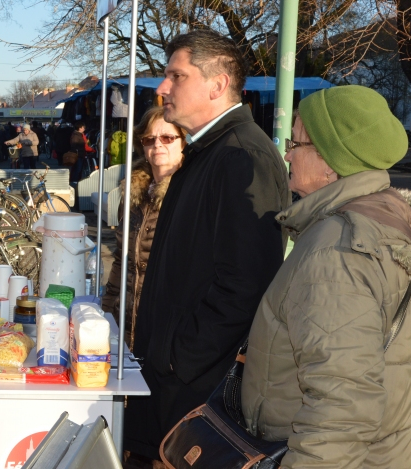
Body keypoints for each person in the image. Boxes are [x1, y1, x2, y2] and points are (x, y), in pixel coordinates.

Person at [241, 85, 411, 468]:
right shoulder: (387, 218)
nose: (286, 153)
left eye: (294, 143)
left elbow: (341, 406)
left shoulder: (338, 250)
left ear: (330, 162)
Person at [123, 30, 290, 467]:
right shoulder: (209, 151)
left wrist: (176, 356)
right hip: (173, 385)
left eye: (177, 76)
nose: (162, 88)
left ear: (217, 84)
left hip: (195, 396)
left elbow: (246, 283)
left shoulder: (241, 156)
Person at [102, 107, 185, 351]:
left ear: (183, 142)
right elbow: (121, 258)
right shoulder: (132, 195)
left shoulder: (187, 194)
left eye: (168, 138)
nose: (157, 144)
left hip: (166, 329)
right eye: (149, 139)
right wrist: (106, 309)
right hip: (126, 321)